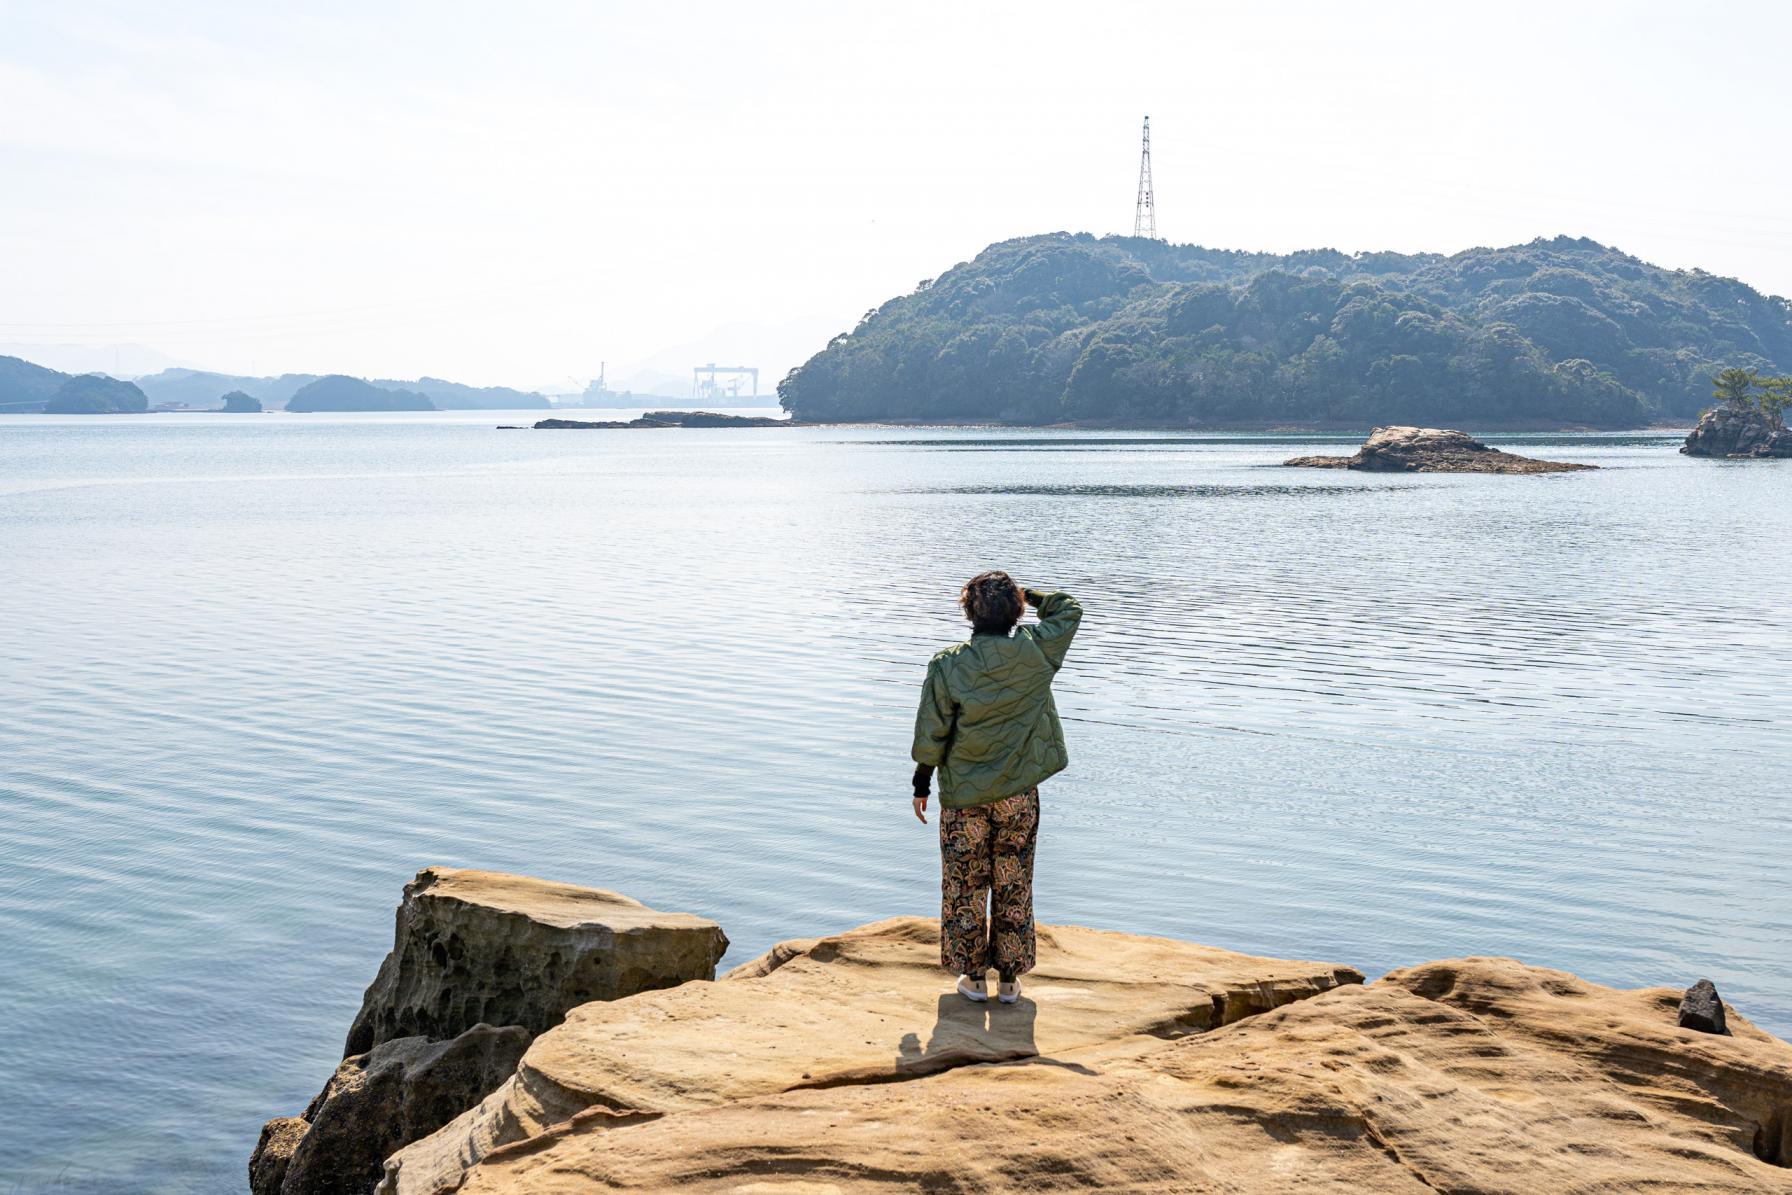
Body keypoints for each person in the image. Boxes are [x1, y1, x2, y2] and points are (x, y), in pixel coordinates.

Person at [911, 571, 1082, 1004]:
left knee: (965, 884)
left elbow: (933, 730)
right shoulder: (1036, 651)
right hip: (1019, 794)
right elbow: (1068, 610)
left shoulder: (947, 665)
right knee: (1014, 880)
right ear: (1016, 611)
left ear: (969, 613)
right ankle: (1009, 980)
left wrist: (921, 781)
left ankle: (973, 979)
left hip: (964, 798)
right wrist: (1030, 595)